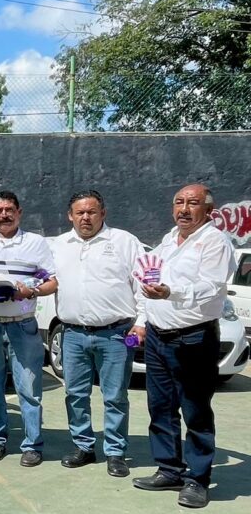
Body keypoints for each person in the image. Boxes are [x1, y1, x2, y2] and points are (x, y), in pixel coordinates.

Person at [132, 184, 235, 509]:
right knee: (160, 408)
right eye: (179, 202)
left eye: (192, 203)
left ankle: (197, 480)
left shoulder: (214, 242)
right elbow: (150, 280)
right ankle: (169, 470)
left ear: (208, 210)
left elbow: (211, 285)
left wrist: (170, 293)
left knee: (195, 410)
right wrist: (144, 316)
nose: (184, 209)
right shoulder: (168, 240)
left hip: (194, 338)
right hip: (159, 336)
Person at [49, 190, 144, 478]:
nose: (86, 217)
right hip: (73, 334)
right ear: (70, 216)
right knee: (75, 394)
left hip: (115, 334)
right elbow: (42, 278)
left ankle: (115, 452)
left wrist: (141, 322)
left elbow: (142, 283)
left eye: (92, 212)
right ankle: (84, 446)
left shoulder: (124, 242)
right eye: (80, 212)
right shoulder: (58, 245)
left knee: (115, 396)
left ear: (103, 213)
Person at [0, 191, 58, 467]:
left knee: (30, 389)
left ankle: (32, 445)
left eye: (9, 209)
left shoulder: (36, 243)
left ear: (19, 212)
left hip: (23, 326)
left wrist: (30, 291)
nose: (4, 215)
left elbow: (52, 282)